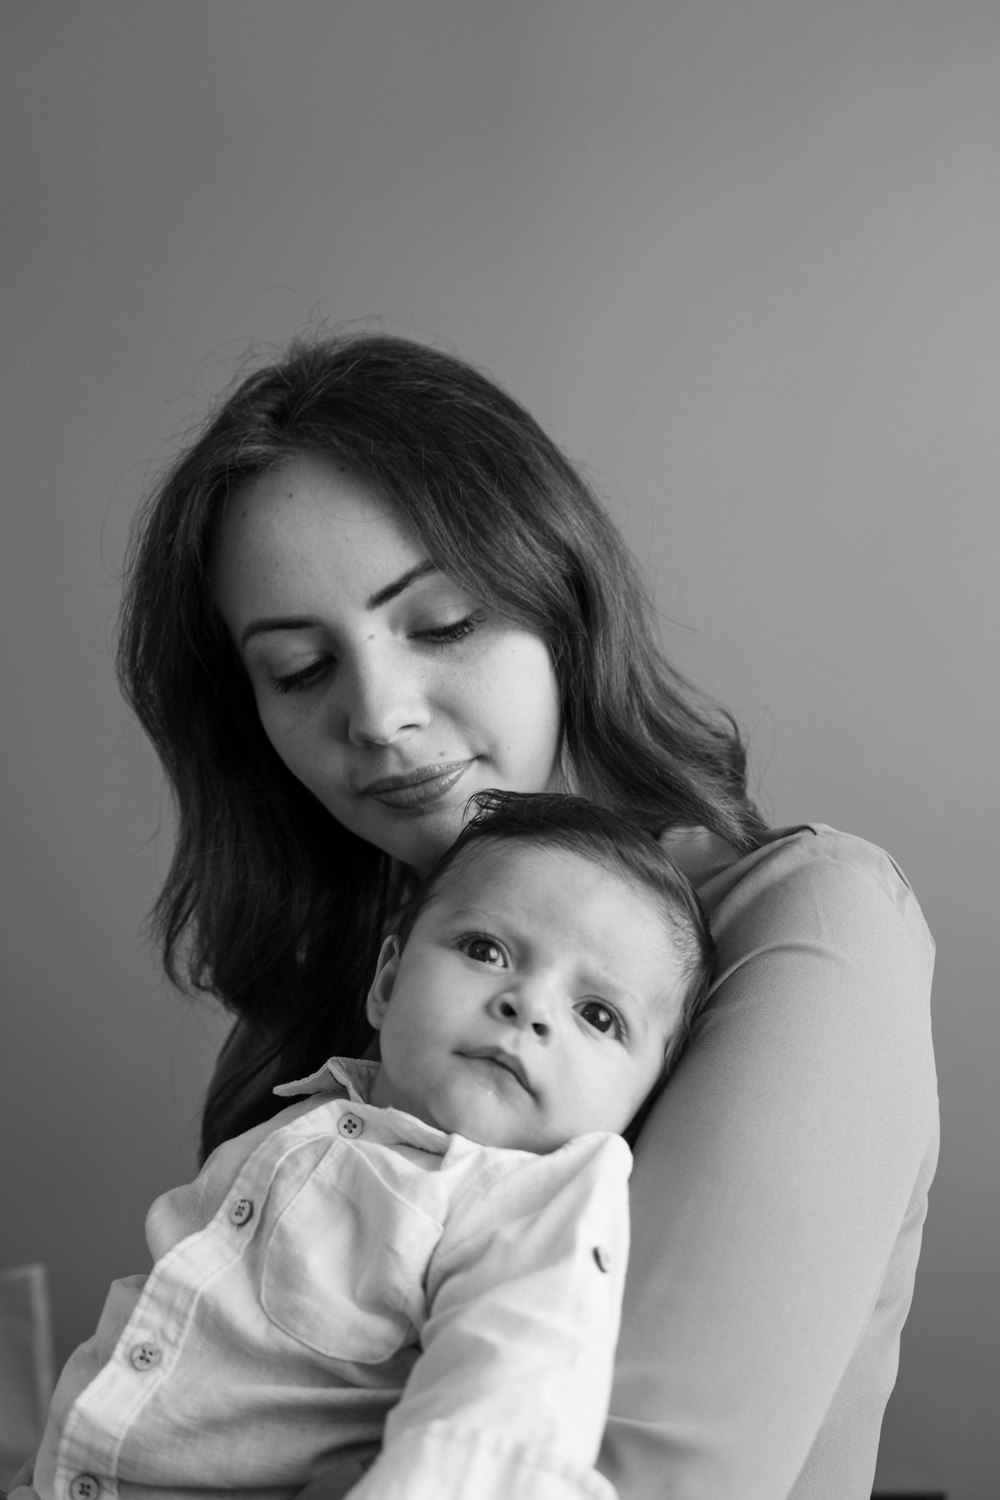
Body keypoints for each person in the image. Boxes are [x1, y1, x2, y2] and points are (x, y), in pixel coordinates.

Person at [39, 331, 939, 1498]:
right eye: (302, 671)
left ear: (555, 590)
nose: (378, 715)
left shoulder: (811, 924)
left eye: (443, 622)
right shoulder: (371, 999)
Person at [29, 792, 715, 1500]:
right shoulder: (316, 1110)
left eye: (597, 1015)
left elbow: (500, 1415)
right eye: (487, 950)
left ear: (644, 1098)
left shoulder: (531, 1204)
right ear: (387, 982)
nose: (529, 1006)